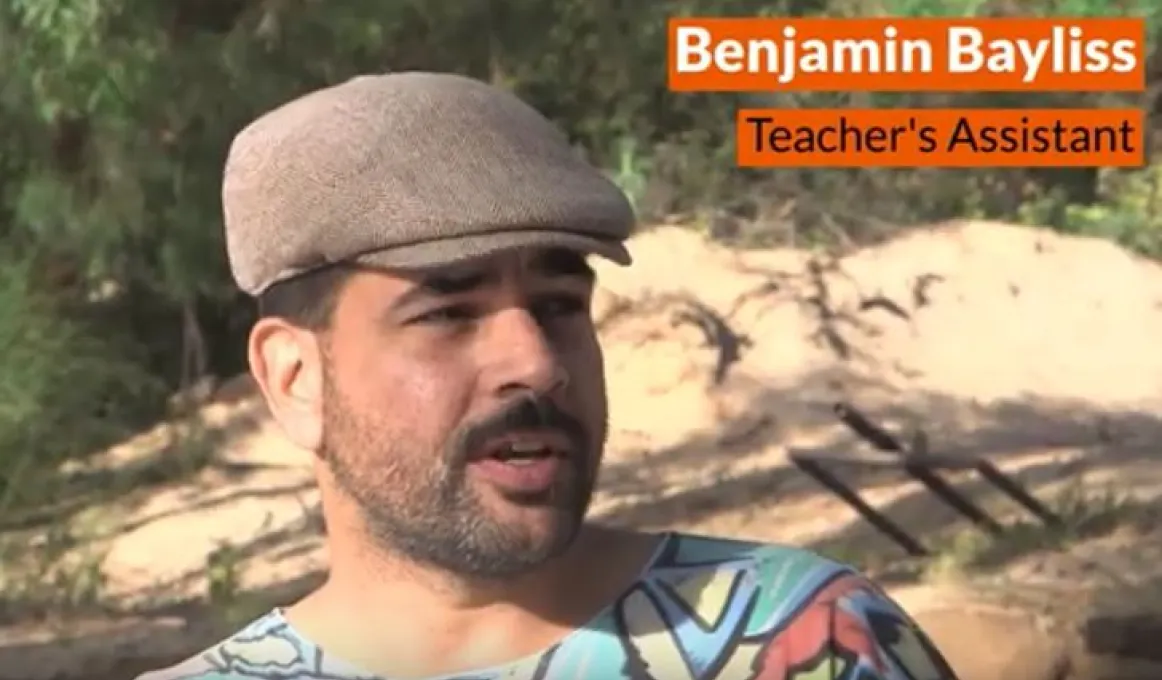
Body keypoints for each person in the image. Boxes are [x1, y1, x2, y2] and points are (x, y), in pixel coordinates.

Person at [137, 72, 959, 680]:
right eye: (447, 316)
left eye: (560, 303)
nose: (535, 363)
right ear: (293, 379)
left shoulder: (804, 640)